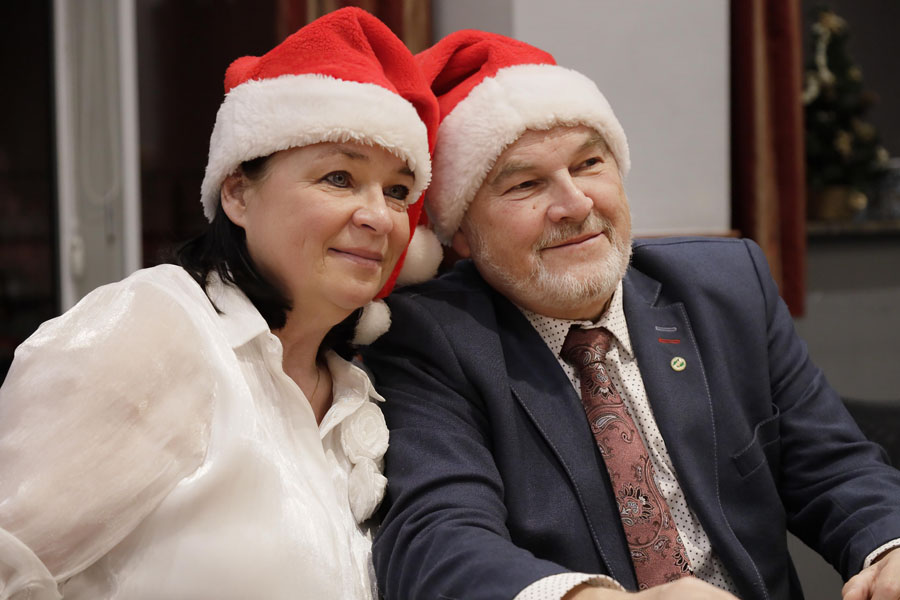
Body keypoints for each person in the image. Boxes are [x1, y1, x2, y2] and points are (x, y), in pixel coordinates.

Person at [361, 30, 900, 600]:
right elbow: (437, 538)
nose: (575, 204)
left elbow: (836, 467)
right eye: (526, 184)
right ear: (462, 235)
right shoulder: (429, 339)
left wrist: (890, 548)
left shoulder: (726, 286)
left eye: (589, 163)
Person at [0, 8, 441, 599]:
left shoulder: (361, 399)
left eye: (398, 191)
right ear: (237, 193)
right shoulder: (156, 332)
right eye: (338, 178)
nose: (379, 217)